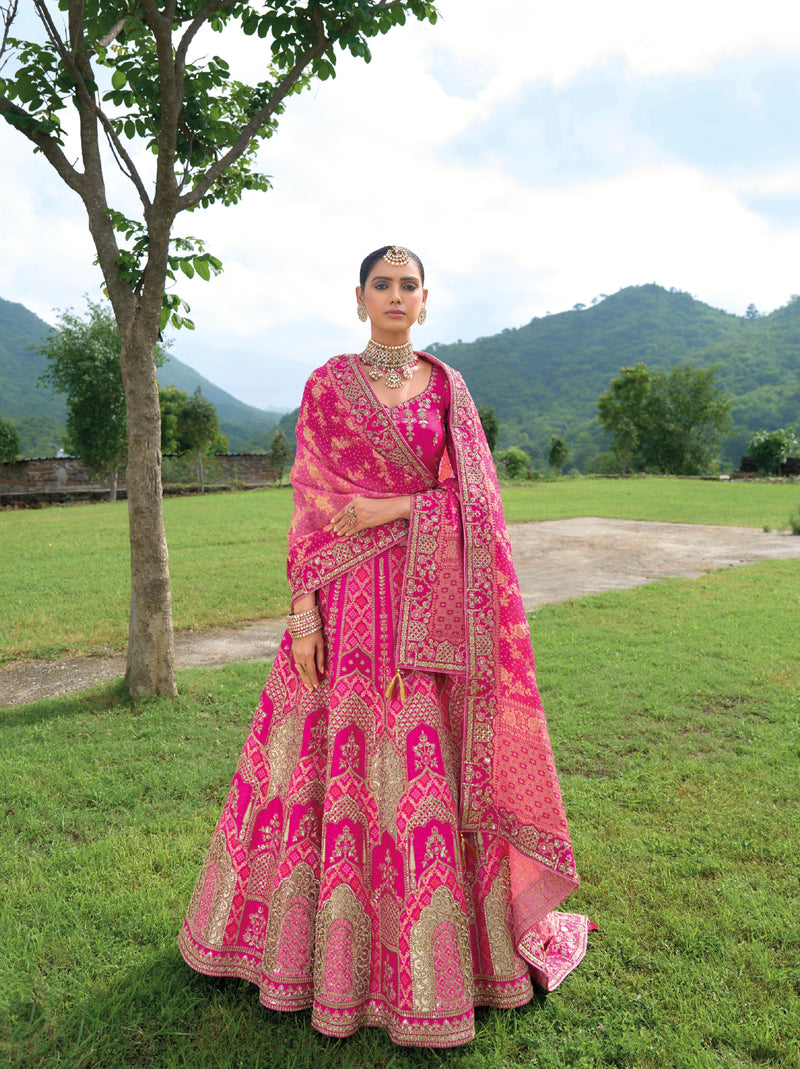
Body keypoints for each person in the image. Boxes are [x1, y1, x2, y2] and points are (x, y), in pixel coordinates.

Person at [178, 245, 592, 1048]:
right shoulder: (329, 385)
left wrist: (393, 509)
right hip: (343, 601)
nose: (395, 295)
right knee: (320, 767)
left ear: (426, 301)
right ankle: (304, 956)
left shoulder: (447, 388)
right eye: (382, 284)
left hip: (427, 605)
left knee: (422, 772)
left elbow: (475, 496)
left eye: (409, 285)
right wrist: (303, 611)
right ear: (360, 297)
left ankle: (447, 966)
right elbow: (309, 502)